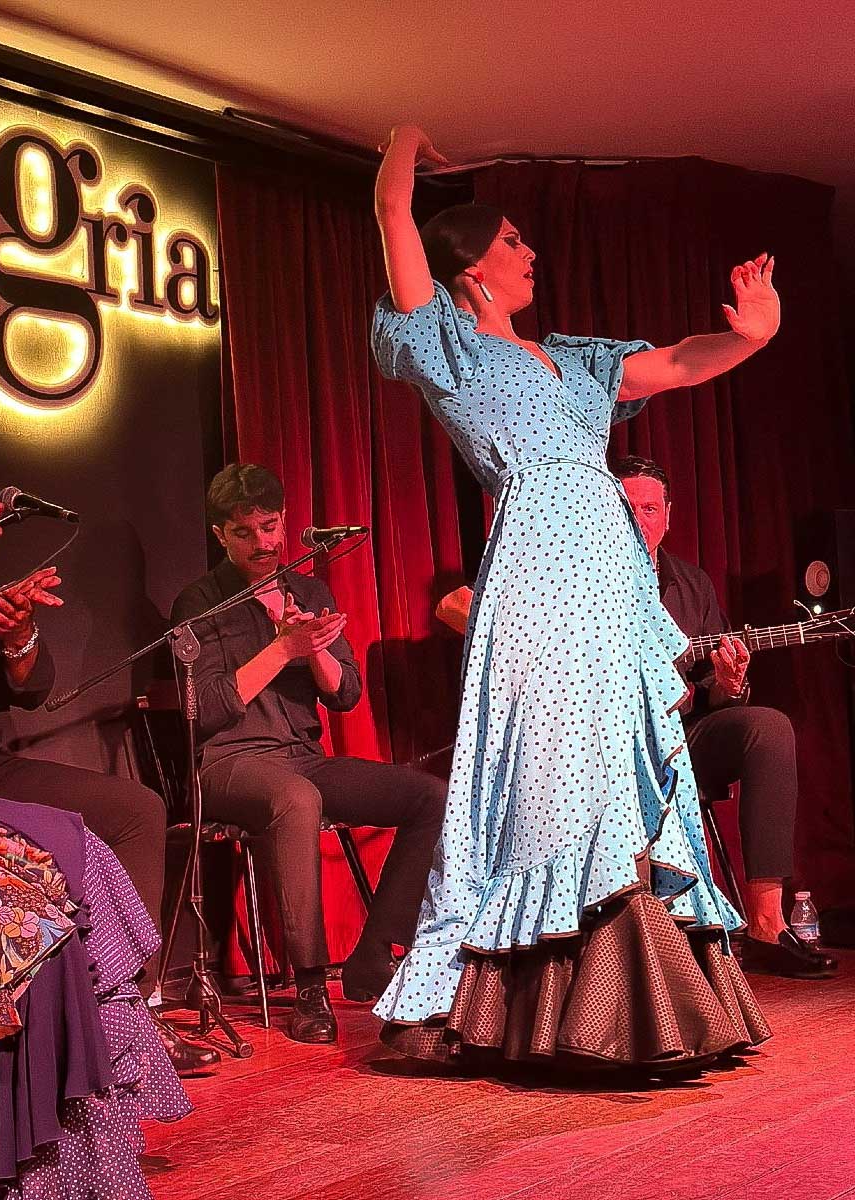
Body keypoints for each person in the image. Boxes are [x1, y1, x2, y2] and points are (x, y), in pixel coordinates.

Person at [368, 124, 779, 1070]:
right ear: (470, 268)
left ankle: (643, 995)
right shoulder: (451, 349)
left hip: (608, 563)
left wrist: (752, 336)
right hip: (538, 566)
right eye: (513, 240)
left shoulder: (575, 360)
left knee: (622, 761)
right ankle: (519, 1002)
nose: (531, 251)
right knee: (553, 771)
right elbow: (395, 211)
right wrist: (403, 141)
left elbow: (678, 361)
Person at [0, 409, 213, 1074]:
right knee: (56, 843)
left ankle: (134, 1008)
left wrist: (17, 636)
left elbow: (30, 689)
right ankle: (72, 1031)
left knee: (136, 810)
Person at [171, 463, 448, 1044]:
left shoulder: (309, 589)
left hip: (302, 756)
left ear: (284, 522)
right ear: (220, 535)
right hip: (229, 763)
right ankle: (309, 985)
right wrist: (280, 649)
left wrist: (315, 650)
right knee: (295, 799)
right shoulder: (198, 601)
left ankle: (374, 953)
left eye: (269, 527)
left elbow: (345, 694)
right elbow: (213, 710)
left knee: (430, 796)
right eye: (243, 532)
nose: (262, 543)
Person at [612, 454, 837, 979]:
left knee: (767, 727)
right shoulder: (582, 583)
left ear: (668, 516)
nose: (637, 519)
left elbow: (713, 690)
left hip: (682, 741)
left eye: (649, 509)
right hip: (609, 749)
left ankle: (765, 924)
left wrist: (730, 685)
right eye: (625, 508)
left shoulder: (692, 584)